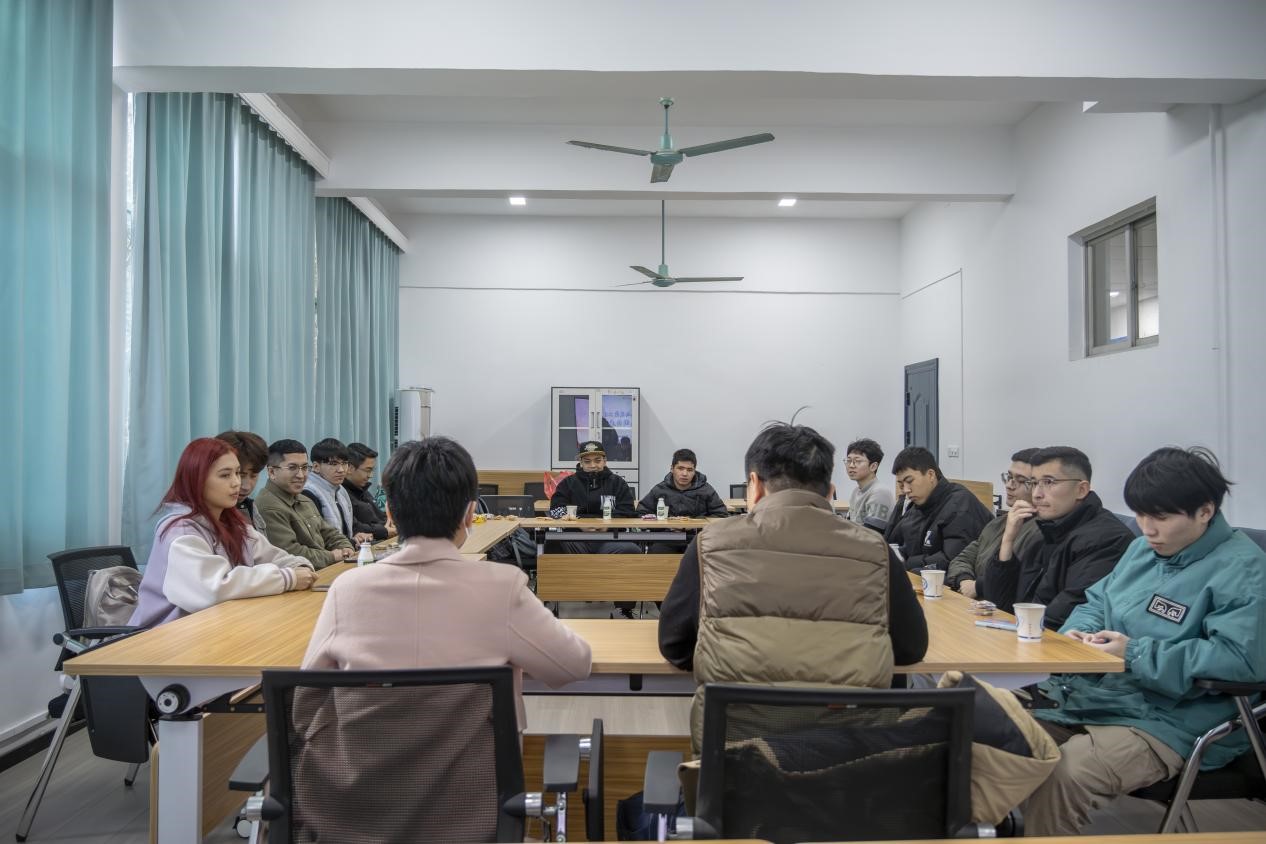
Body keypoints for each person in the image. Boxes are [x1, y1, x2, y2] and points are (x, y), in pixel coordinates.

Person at [1022, 447, 1266, 835]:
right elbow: (1096, 601)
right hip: (1101, 698)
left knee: (1066, 774)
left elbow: (1240, 660)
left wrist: (1134, 653)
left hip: (1173, 720)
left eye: (1161, 517)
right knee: (998, 736)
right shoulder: (1141, 551)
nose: (1147, 528)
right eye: (1140, 515)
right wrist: (1077, 634)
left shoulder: (1244, 569)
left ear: (1205, 511)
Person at [658, 422, 929, 751]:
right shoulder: (876, 551)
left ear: (754, 486)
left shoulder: (709, 545)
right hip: (855, 767)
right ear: (830, 493)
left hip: (736, 768)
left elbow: (674, 646)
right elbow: (911, 647)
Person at [303, 436, 592, 728]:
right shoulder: (502, 588)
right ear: (470, 514)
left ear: (390, 512)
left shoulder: (346, 589)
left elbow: (306, 698)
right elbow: (573, 666)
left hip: (366, 758)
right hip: (480, 758)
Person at [130, 438, 316, 628]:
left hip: (215, 627)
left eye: (237, 473)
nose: (237, 483)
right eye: (225, 475)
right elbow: (213, 589)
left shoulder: (235, 525)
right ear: (197, 479)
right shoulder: (180, 531)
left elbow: (276, 557)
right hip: (164, 634)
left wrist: (300, 566)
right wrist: (288, 578)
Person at [978, 446, 1134, 629]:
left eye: (1049, 482)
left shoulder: (1106, 539)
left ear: (1081, 489)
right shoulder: (1048, 530)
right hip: (1028, 634)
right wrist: (1008, 540)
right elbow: (1001, 605)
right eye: (1034, 483)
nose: (1037, 494)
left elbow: (1063, 618)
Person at [548, 440, 643, 618]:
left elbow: (628, 512)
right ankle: (551, 604)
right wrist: (580, 524)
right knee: (551, 544)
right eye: (588, 461)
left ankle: (624, 609)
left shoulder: (618, 483)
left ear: (605, 461)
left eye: (597, 460)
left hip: (611, 540)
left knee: (632, 550)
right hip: (576, 540)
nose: (593, 465)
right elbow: (555, 510)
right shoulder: (568, 483)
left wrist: (606, 525)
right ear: (581, 462)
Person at [945, 448, 1042, 598]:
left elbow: (1019, 577)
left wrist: (978, 587)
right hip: (976, 602)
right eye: (1009, 477)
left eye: (1021, 481)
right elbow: (963, 558)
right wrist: (964, 580)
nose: (1009, 485)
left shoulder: (1041, 531)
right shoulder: (997, 523)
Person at [884, 446, 992, 572]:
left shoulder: (959, 505)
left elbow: (952, 560)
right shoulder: (916, 505)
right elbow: (899, 544)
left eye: (910, 481)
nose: (906, 490)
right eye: (901, 484)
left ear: (931, 475)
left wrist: (908, 563)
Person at [257, 439, 357, 569]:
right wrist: (332, 556)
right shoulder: (269, 507)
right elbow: (291, 553)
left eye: (304, 468)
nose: (301, 475)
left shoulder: (304, 500)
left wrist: (345, 547)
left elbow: (330, 533)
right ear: (272, 472)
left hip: (323, 570)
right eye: (292, 468)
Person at [302, 437, 373, 544]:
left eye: (344, 463)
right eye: (333, 464)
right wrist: (351, 542)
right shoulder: (308, 492)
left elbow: (347, 528)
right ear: (316, 467)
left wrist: (355, 536)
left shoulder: (340, 490)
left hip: (345, 549)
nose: (341, 470)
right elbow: (319, 537)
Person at [637, 448, 728, 518]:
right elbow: (641, 512)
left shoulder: (706, 490)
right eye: (680, 468)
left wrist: (695, 523)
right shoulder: (660, 489)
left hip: (697, 534)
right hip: (667, 534)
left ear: (694, 471)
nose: (685, 474)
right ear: (672, 469)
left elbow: (721, 514)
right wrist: (663, 523)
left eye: (689, 470)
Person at [215, 429, 270, 532]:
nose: (246, 486)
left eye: (254, 476)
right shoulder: (211, 515)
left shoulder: (249, 506)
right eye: (239, 474)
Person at [344, 442, 395, 541]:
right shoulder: (342, 495)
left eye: (372, 470)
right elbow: (355, 527)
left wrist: (391, 523)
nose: (370, 475)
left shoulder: (362, 490)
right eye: (367, 470)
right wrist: (385, 531)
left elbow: (381, 517)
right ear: (350, 468)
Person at [844, 437, 896, 527]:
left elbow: (872, 531)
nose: (851, 465)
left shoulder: (880, 492)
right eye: (848, 461)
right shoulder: (856, 491)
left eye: (857, 461)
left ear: (873, 466)